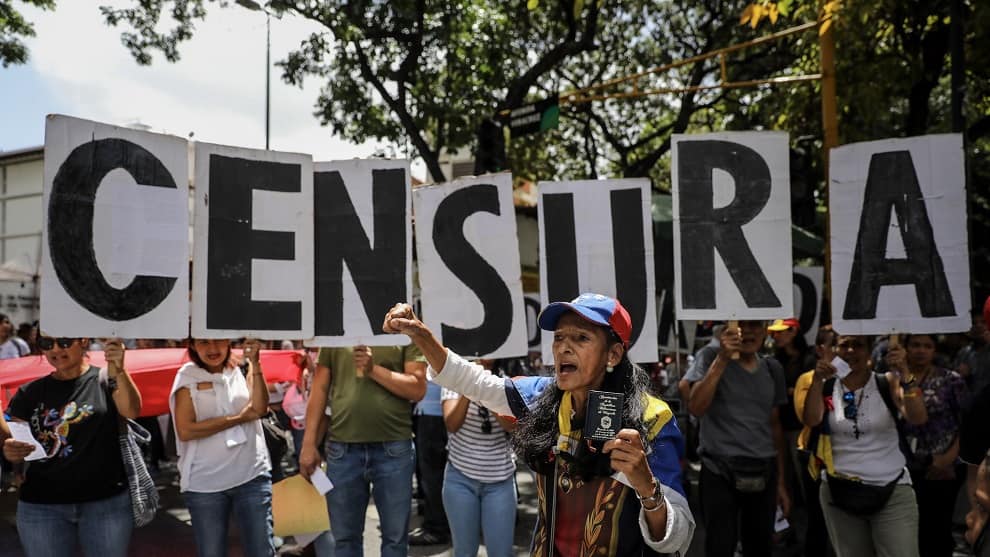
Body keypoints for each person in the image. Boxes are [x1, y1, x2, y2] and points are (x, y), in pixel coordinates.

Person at [383, 293, 695, 556]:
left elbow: (678, 537)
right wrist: (421, 335)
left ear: (613, 354)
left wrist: (646, 486)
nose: (563, 348)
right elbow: (472, 381)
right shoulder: (543, 397)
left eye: (581, 338)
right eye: (559, 337)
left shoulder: (652, 420)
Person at [2, 336, 141, 557]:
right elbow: (14, 439)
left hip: (105, 502)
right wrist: (11, 450)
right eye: (47, 344)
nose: (56, 349)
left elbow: (132, 410)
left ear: (83, 341)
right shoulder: (29, 392)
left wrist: (120, 370)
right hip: (42, 506)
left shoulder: (106, 380)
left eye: (64, 341)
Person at [802, 333, 928, 557]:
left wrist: (905, 372)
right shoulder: (826, 386)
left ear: (870, 351)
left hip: (892, 490)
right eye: (844, 345)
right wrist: (818, 381)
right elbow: (811, 420)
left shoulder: (887, 382)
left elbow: (918, 417)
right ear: (833, 350)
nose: (850, 351)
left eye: (858, 345)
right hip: (839, 493)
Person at [298, 343, 427, 557]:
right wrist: (309, 444)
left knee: (395, 540)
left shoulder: (405, 331)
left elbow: (417, 388)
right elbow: (320, 388)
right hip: (343, 450)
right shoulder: (336, 332)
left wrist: (372, 369)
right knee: (345, 540)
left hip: (394, 448)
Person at [685, 320, 791, 557]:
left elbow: (775, 426)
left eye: (756, 325)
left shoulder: (773, 368)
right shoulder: (709, 356)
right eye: (743, 325)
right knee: (720, 546)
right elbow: (696, 407)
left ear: (765, 330)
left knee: (760, 547)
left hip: (763, 473)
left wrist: (781, 482)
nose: (749, 331)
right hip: (719, 471)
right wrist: (722, 359)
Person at [168, 338, 274, 557]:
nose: (212, 348)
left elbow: (259, 408)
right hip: (205, 485)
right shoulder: (187, 378)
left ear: (228, 340)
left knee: (262, 551)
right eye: (204, 342)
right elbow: (186, 430)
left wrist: (256, 364)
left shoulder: (243, 367)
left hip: (252, 475)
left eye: (218, 340)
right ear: (193, 346)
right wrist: (239, 418)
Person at [894, 333, 969, 557]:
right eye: (915, 345)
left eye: (927, 346)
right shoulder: (892, 380)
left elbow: (966, 423)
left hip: (943, 466)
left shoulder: (951, 379)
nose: (921, 350)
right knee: (908, 529)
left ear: (935, 350)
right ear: (906, 348)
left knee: (939, 529)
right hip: (904, 467)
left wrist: (947, 459)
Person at [440, 359, 516, 557]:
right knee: (464, 552)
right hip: (460, 479)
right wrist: (469, 384)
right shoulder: (453, 379)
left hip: (500, 481)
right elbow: (452, 424)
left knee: (501, 553)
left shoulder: (507, 382)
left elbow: (511, 427)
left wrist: (488, 390)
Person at [791, 326, 837, 557]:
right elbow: (807, 417)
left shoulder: (858, 379)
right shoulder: (808, 379)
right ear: (820, 349)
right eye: (834, 344)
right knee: (817, 517)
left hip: (847, 456)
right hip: (815, 455)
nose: (842, 350)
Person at [409, 375, 450, 545]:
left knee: (432, 475)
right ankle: (440, 523)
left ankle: (436, 528)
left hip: (433, 412)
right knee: (435, 474)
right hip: (436, 410)